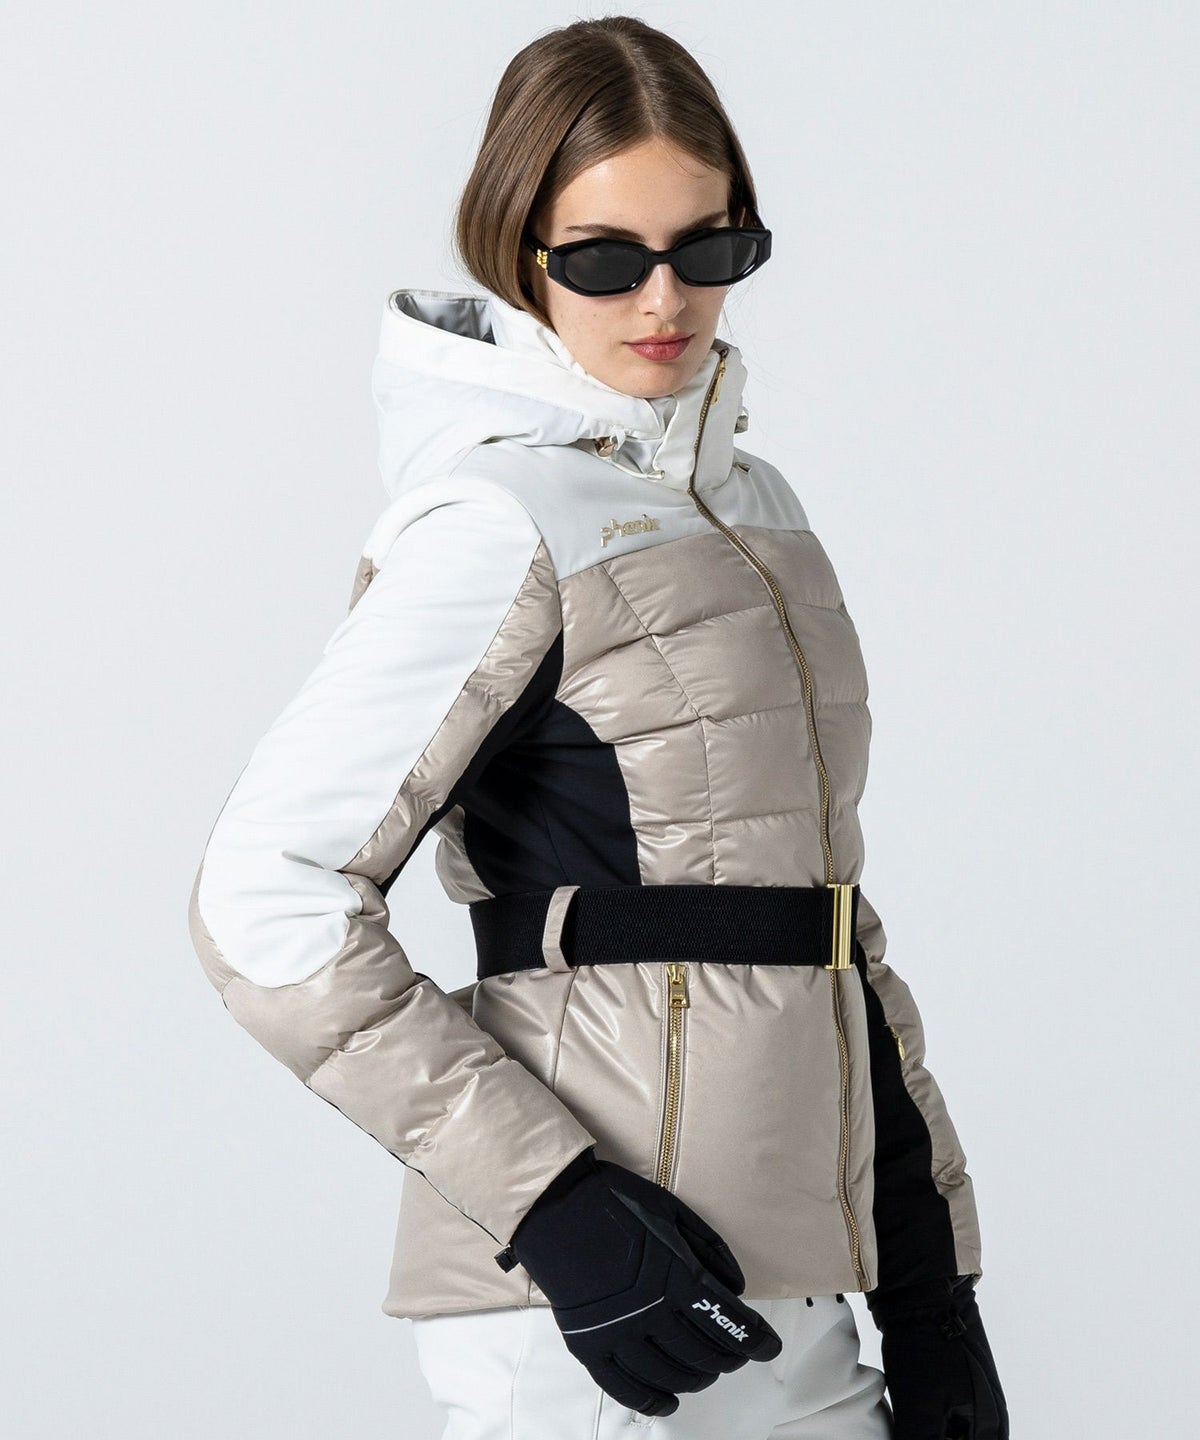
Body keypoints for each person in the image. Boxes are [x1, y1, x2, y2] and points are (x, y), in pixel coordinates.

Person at [187, 15, 1008, 1440]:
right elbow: (264, 896)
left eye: (709, 247)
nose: (664, 299)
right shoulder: (493, 524)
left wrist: (935, 1296)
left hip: (800, 1285)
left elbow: (826, 932)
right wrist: (557, 1210)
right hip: (589, 1322)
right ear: (519, 252)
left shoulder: (758, 510)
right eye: (604, 259)